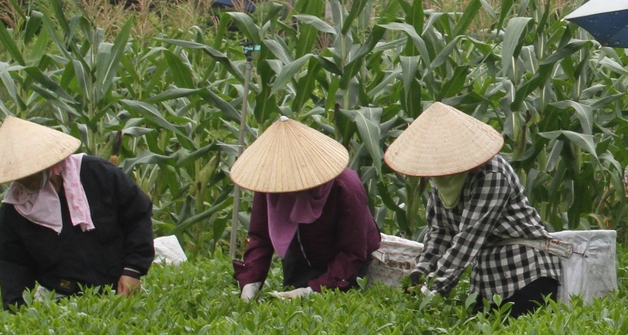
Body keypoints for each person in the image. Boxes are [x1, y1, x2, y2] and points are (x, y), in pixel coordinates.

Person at [384, 102, 562, 316]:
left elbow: (468, 238)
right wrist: (418, 274)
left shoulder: (491, 174)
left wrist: (433, 290)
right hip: (486, 281)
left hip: (525, 274)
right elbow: (440, 233)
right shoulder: (443, 178)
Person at [0, 116, 154, 310]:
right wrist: (15, 310)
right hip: (63, 300)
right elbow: (12, 262)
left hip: (119, 291)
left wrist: (133, 270)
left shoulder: (98, 174)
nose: (23, 180)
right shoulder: (16, 208)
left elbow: (137, 215)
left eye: (29, 171)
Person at [230, 117, 381, 299]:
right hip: (299, 256)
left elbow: (353, 251)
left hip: (348, 264)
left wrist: (314, 289)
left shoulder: (346, 188)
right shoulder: (271, 184)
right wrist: (250, 282)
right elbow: (261, 238)